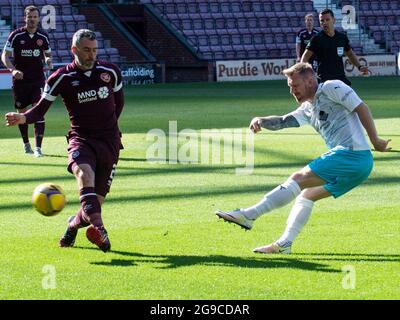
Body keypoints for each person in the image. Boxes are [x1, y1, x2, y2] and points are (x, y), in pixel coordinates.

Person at [216, 62, 391, 254]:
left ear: (309, 81)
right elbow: (283, 121)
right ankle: (284, 244)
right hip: (357, 165)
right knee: (307, 195)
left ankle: (248, 215)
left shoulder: (332, 87)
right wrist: (260, 120)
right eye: (290, 87)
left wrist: (375, 140)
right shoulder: (307, 108)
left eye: (295, 86)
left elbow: (361, 108)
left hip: (352, 154)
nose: (292, 91)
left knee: (298, 179)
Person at [5, 29, 124, 252]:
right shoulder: (61, 77)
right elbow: (40, 110)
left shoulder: (110, 71)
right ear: (74, 50)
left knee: (92, 206)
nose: (92, 55)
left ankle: (72, 225)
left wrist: (110, 130)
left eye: (95, 50)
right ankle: (101, 229)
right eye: (87, 50)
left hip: (109, 142)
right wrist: (23, 117)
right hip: (81, 139)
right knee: (83, 174)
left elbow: (119, 104)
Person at [1, 5, 52, 157]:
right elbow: (5, 55)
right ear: (25, 18)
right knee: (21, 113)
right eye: (29, 17)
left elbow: (47, 54)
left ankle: (38, 148)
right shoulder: (16, 35)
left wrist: (48, 60)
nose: (32, 19)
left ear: (38, 19)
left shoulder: (43, 37)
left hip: (37, 80)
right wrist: (13, 70)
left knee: (39, 112)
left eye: (35, 17)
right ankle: (26, 144)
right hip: (20, 82)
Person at [301, 8, 368, 86]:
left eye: (327, 20)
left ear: (333, 20)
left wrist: (359, 67)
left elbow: (350, 54)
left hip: (341, 80)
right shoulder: (316, 39)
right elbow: (305, 57)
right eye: (322, 21)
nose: (324, 23)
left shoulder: (342, 38)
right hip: (324, 81)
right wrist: (303, 73)